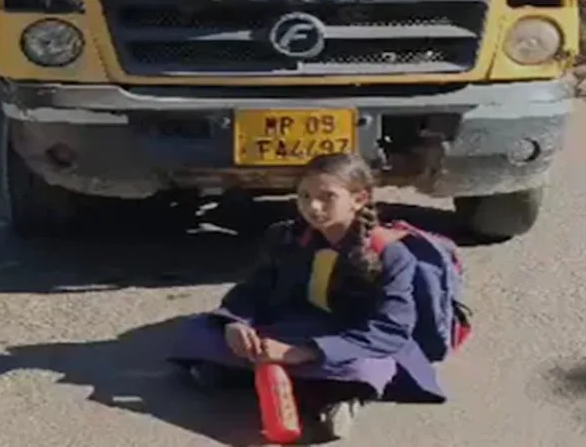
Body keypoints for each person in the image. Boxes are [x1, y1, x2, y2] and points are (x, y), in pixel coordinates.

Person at [168, 153, 445, 441]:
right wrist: (235, 323)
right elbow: (255, 289)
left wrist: (305, 352)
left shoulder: (390, 254)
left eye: (327, 197)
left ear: (359, 199)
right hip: (291, 327)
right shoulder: (284, 236)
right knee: (196, 331)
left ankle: (328, 395)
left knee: (368, 367)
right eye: (305, 196)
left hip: (348, 340)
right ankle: (309, 387)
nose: (313, 207)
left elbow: (390, 330)